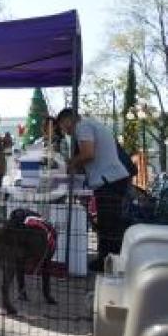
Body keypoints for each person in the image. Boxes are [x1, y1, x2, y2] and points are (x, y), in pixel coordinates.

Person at [56, 108, 131, 271]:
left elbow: (88, 153)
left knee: (108, 223)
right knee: (108, 223)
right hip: (112, 179)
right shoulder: (92, 124)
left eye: (63, 126)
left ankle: (109, 262)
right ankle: (107, 260)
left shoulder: (82, 127)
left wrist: (71, 163)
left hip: (109, 181)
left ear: (68, 120)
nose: (65, 131)